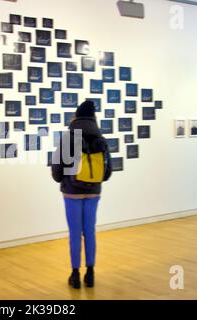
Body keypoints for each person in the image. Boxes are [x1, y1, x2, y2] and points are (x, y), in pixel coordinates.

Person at [51, 100, 112, 289]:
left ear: (76, 116)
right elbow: (108, 171)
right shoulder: (100, 137)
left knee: (75, 233)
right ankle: (91, 273)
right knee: (90, 232)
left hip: (72, 193)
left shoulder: (69, 137)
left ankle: (75, 274)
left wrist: (62, 179)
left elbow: (57, 168)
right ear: (94, 117)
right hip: (93, 192)